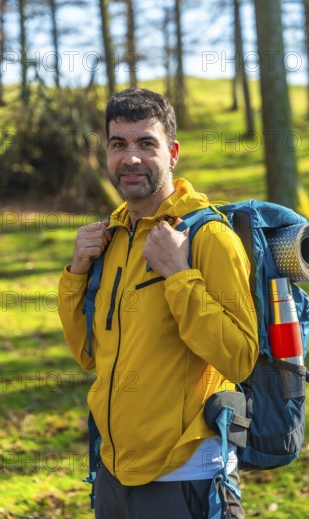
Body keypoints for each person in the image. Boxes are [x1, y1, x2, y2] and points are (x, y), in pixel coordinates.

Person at [58, 88, 258, 518]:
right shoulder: (110, 240)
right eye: (118, 144)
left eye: (146, 143)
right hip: (111, 472)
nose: (130, 158)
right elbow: (88, 355)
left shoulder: (209, 238)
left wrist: (179, 276)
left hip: (187, 476)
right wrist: (76, 272)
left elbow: (240, 359)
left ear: (172, 153)